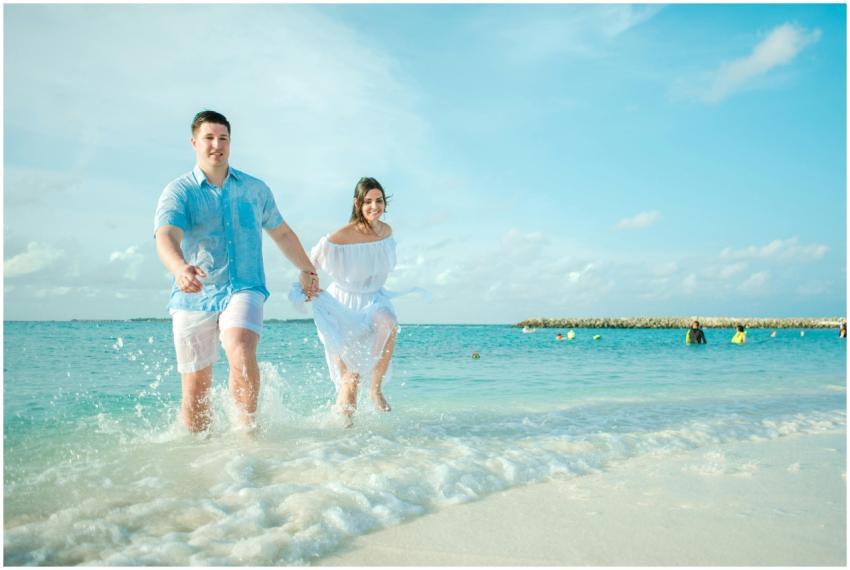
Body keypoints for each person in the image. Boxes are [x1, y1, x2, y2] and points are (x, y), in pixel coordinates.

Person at [154, 110, 319, 433]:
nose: (217, 145)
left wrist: (307, 270)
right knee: (195, 390)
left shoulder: (255, 190)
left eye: (223, 138)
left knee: (241, 348)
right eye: (209, 138)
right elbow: (166, 235)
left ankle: (246, 439)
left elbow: (282, 233)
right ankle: (199, 463)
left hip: (244, 287)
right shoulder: (179, 191)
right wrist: (179, 268)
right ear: (194, 143)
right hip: (195, 293)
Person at [292, 177, 422, 425]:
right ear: (357, 203)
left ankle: (376, 389)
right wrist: (309, 283)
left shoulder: (386, 232)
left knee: (389, 322)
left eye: (379, 200)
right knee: (350, 379)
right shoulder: (341, 236)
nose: (375, 206)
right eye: (368, 202)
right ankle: (344, 436)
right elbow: (310, 264)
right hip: (342, 305)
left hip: (373, 299)